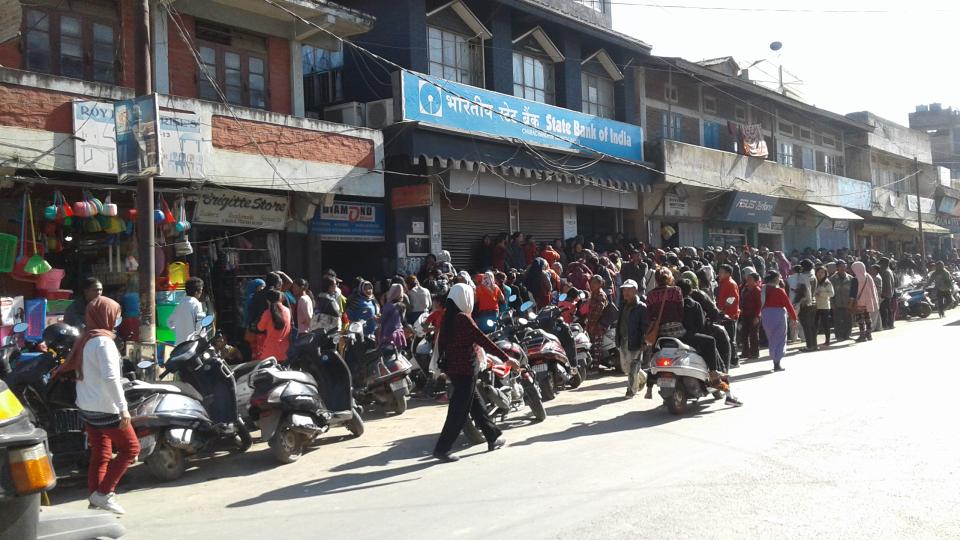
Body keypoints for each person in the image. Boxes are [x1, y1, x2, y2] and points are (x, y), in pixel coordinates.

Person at [59, 296, 139, 514]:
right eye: (116, 313)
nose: (118, 318)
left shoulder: (86, 339)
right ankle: (104, 493)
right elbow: (111, 378)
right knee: (131, 449)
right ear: (107, 315)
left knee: (101, 453)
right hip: (106, 408)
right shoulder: (104, 342)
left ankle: (96, 500)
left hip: (87, 406)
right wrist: (123, 409)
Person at [432, 284, 514, 462]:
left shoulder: (449, 316)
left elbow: (441, 345)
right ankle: (442, 449)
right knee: (458, 412)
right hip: (465, 370)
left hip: (456, 370)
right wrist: (506, 358)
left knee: (476, 406)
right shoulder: (463, 318)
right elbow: (482, 340)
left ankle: (493, 437)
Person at [677, 278, 742, 406]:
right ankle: (724, 389)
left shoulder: (670, 303)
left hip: (671, 339)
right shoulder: (695, 302)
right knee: (715, 355)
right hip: (693, 338)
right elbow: (703, 323)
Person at [760, 271, 798, 372]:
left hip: (766, 315)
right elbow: (788, 304)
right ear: (775, 279)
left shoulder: (762, 289)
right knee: (780, 339)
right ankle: (777, 362)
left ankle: (774, 359)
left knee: (771, 338)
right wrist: (794, 318)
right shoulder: (779, 291)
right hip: (778, 315)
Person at [617, 280, 648, 398]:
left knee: (632, 368)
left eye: (629, 289)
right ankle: (643, 377)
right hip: (624, 341)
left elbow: (645, 326)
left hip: (635, 341)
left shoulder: (641, 307)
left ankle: (631, 390)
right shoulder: (623, 305)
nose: (626, 292)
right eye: (624, 289)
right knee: (626, 367)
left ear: (635, 290)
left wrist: (644, 342)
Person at [167, 277, 205, 346]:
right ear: (197, 292)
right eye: (201, 290)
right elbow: (199, 325)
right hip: (192, 345)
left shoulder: (180, 304)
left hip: (179, 345)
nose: (201, 292)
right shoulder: (197, 305)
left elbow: (169, 322)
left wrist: (178, 330)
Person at [256, 290, 292, 361]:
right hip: (285, 350)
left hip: (269, 352)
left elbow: (260, 328)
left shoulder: (267, 313)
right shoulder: (287, 311)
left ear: (268, 300)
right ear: (280, 298)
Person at [716, 264, 741, 366]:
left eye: (721, 272)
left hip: (730, 314)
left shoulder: (730, 283)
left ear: (728, 273)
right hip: (725, 313)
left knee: (730, 339)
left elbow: (733, 298)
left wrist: (723, 308)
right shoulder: (724, 283)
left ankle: (734, 360)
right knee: (728, 338)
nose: (719, 274)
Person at [851, 261, 879, 342]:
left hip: (859, 301)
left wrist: (851, 302)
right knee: (867, 317)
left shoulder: (855, 279)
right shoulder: (868, 276)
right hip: (868, 301)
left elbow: (853, 292)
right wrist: (874, 300)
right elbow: (874, 289)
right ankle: (869, 334)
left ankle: (862, 335)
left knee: (860, 319)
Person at [795, 260, 818, 352]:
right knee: (812, 325)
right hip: (813, 301)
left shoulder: (802, 277)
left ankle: (809, 346)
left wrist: (796, 301)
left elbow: (802, 290)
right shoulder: (813, 276)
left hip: (804, 303)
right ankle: (814, 345)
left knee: (806, 325)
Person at [739, 272, 762, 359]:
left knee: (753, 335)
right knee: (744, 334)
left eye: (750, 279)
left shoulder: (757, 290)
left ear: (756, 281)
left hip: (754, 315)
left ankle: (755, 353)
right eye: (748, 278)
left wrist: (757, 316)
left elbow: (759, 305)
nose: (748, 280)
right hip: (745, 314)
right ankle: (745, 352)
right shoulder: (745, 289)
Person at [829, 261, 854, 341]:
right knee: (837, 321)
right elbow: (831, 293)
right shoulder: (832, 279)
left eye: (844, 266)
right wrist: (832, 304)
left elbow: (853, 292)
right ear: (837, 268)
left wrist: (852, 303)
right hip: (837, 303)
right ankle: (839, 336)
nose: (843, 268)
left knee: (848, 320)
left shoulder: (850, 278)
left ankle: (847, 334)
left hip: (848, 303)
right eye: (841, 266)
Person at [377, 283, 407, 349]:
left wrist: (376, 318)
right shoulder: (402, 306)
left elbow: (382, 320)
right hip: (399, 333)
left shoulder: (388, 306)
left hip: (389, 334)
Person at [813, 267, 835, 348]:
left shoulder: (827, 283)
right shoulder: (814, 282)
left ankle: (827, 341)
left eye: (822, 272)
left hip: (825, 306)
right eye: (819, 272)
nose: (820, 274)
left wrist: (821, 294)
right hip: (815, 306)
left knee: (826, 324)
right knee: (815, 324)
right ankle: (813, 341)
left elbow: (832, 294)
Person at [878, 258, 896, 330]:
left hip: (886, 294)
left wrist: (883, 294)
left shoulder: (886, 272)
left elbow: (887, 284)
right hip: (889, 293)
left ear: (884, 263)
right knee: (888, 309)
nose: (880, 265)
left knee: (884, 310)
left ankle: (886, 324)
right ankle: (890, 324)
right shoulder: (889, 271)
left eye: (881, 263)